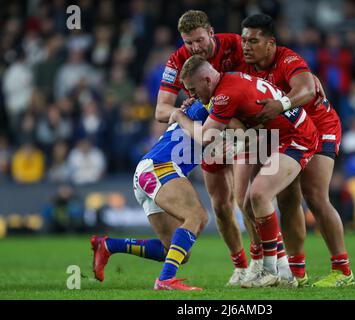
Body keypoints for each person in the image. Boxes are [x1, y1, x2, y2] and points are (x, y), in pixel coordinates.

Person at [170, 55, 319, 288]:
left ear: (207, 80)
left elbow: (205, 137)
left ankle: (273, 269)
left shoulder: (225, 94)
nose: (191, 96)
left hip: (296, 138)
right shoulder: (226, 82)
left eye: (192, 89)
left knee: (259, 195)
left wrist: (179, 116)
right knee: (249, 203)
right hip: (273, 137)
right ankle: (280, 268)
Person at [238, 14, 354, 287]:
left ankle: (343, 271)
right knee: (287, 199)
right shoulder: (245, 63)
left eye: (253, 41)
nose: (246, 46)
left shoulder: (289, 60)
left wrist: (280, 104)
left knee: (314, 196)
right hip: (286, 133)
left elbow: (306, 90)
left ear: (271, 44)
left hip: (320, 125)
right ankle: (296, 272)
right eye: (244, 40)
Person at [155, 10, 259, 286]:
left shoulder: (237, 45)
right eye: (189, 43)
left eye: (199, 41)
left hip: (242, 130)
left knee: (245, 199)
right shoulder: (178, 60)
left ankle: (264, 263)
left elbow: (262, 81)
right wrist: (181, 112)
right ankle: (240, 267)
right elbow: (161, 110)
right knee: (220, 205)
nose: (194, 48)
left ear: (211, 32)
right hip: (209, 133)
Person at [91, 100, 211, 291]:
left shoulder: (205, 104)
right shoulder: (215, 102)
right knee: (197, 216)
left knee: (174, 250)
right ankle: (165, 280)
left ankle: (108, 245)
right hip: (160, 166)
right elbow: (208, 134)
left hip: (148, 171)